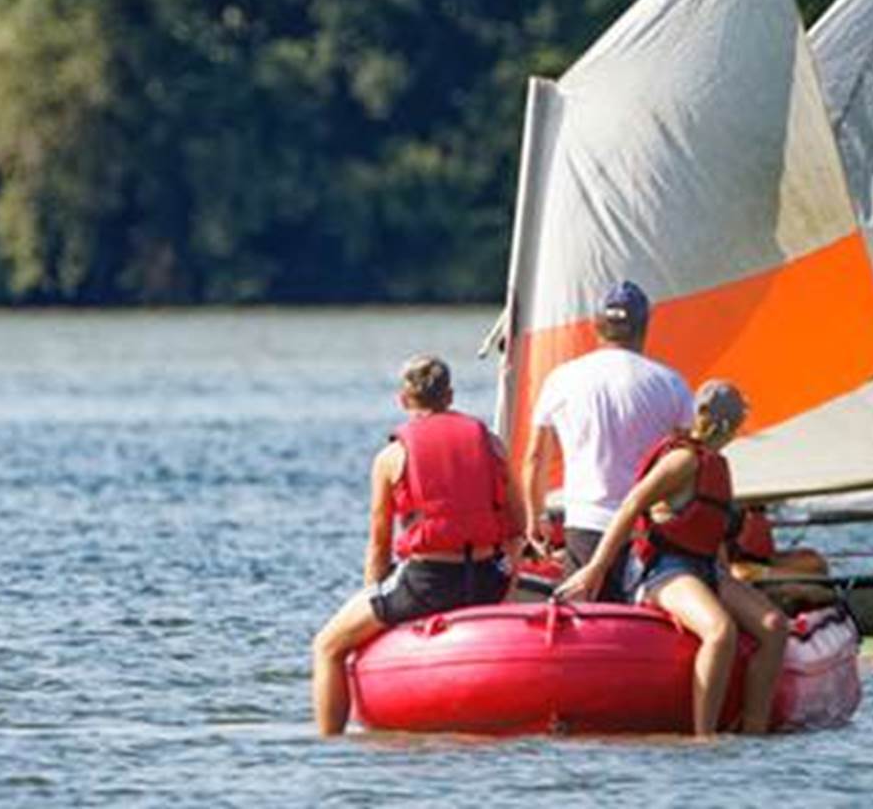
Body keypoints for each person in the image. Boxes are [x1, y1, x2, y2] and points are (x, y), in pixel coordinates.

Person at [556, 381, 788, 738]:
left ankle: (755, 733)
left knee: (773, 625)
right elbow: (631, 505)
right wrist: (596, 567)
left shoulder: (717, 464)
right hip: (664, 571)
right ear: (720, 422)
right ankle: (704, 737)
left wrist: (726, 577)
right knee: (720, 631)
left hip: (705, 569)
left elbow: (709, 528)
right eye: (737, 420)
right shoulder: (683, 460)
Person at [311, 355, 525, 736]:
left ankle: (329, 746)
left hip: (427, 585)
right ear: (450, 396)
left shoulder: (391, 457)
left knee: (327, 646)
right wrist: (507, 584)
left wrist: (372, 595)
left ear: (403, 399)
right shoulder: (492, 445)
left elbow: (379, 543)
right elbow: (517, 526)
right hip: (486, 580)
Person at [523, 280, 693, 602]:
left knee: (588, 619)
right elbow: (688, 464)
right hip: (649, 530)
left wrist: (536, 517)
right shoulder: (672, 383)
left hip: (587, 525)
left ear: (596, 325)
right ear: (644, 326)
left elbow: (534, 458)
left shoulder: (562, 378)